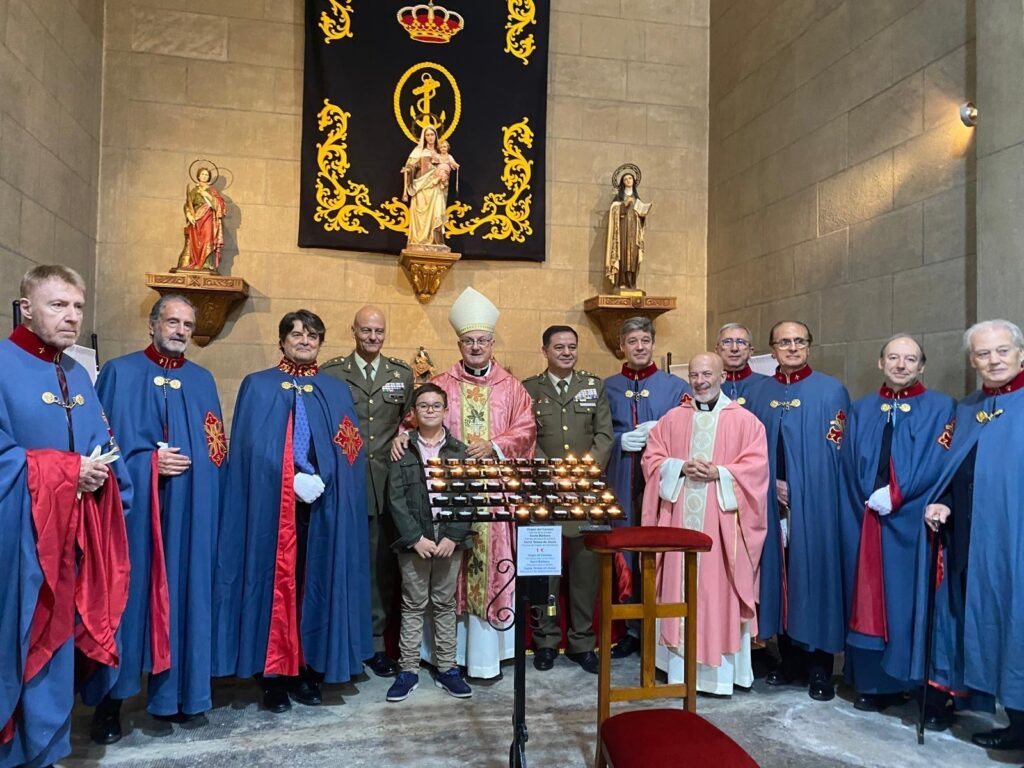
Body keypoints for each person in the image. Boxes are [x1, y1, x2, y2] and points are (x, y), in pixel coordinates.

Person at [0, 265, 131, 768]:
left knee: (59, 650)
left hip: (75, 539)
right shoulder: (4, 363)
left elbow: (103, 442)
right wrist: (66, 472)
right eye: (58, 305)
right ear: (26, 307)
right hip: (21, 541)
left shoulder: (77, 371)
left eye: (78, 306)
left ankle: (49, 749)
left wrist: (101, 473)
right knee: (21, 644)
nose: (72, 316)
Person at [213, 310, 372, 713]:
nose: (304, 341)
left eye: (313, 335)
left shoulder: (334, 390)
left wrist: (327, 478)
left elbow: (349, 449)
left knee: (312, 585)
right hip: (271, 508)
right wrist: (289, 480)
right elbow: (250, 450)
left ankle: (307, 670)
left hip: (322, 508)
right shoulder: (259, 386)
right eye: (296, 334)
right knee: (273, 587)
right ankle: (273, 677)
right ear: (281, 340)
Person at [87, 295, 226, 743]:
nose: (181, 330)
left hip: (187, 517)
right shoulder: (119, 373)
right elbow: (99, 447)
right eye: (172, 321)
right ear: (152, 325)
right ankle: (109, 705)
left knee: (185, 599)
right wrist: (148, 462)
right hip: (132, 520)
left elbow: (215, 451)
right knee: (125, 606)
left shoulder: (203, 381)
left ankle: (175, 697)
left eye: (187, 323)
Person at [391, 287, 535, 679]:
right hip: (443, 496)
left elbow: (526, 430)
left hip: (491, 495)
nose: (476, 346)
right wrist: (401, 435)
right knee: (440, 578)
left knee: (487, 565)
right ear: (459, 343)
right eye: (469, 340)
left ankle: (485, 657)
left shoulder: (512, 387)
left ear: (491, 343)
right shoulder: (441, 384)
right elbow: (412, 422)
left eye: (482, 340)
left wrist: (495, 445)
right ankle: (440, 657)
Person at [921, 320, 1024, 750]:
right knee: (987, 621)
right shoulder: (968, 409)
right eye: (983, 354)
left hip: (1013, 540)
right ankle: (1016, 720)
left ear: (1021, 354)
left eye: (1002, 351)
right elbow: (956, 467)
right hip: (970, 538)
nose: (993, 360)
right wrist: (942, 498)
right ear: (972, 360)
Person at [641, 353, 768, 695]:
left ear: (722, 376)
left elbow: (756, 472)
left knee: (715, 590)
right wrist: (678, 468)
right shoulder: (672, 419)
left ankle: (720, 677)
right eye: (694, 375)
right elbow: (651, 459)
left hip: (722, 528)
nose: (700, 381)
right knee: (678, 584)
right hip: (678, 522)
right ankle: (679, 670)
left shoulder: (746, 422)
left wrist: (721, 473)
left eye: (707, 374)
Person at [839, 335, 954, 713]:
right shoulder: (861, 408)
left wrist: (900, 494)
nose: (901, 365)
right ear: (880, 362)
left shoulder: (941, 408)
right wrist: (867, 494)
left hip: (912, 524)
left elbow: (941, 462)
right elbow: (850, 460)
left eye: (910, 359)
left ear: (922, 366)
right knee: (868, 598)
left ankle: (914, 685)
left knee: (910, 600)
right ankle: (871, 684)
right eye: (893, 357)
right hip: (868, 518)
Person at [747, 321, 849, 701]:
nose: (792, 348)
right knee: (780, 577)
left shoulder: (830, 391)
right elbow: (750, 450)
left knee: (815, 577)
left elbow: (836, 453)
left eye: (799, 341)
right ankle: (788, 660)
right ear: (771, 350)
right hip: (769, 503)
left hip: (816, 506)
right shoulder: (760, 393)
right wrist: (770, 484)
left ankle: (820, 666)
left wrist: (803, 488)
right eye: (783, 342)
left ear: (809, 345)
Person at [322, 306, 414, 678]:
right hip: (344, 481)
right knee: (343, 560)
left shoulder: (401, 374)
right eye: (366, 331)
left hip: (385, 484)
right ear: (353, 331)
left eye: (379, 331)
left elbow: (409, 419)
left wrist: (405, 434)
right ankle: (340, 638)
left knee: (379, 568)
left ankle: (374, 642)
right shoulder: (332, 372)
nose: (373, 337)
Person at [522, 326, 613, 674]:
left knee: (584, 571)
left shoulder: (593, 386)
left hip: (585, 492)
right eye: (558, 347)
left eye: (571, 347)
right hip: (544, 493)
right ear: (544, 350)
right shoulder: (529, 389)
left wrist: (581, 474)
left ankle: (581, 641)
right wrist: (552, 475)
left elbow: (605, 436)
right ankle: (545, 640)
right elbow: (527, 437)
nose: (566, 352)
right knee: (544, 572)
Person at [604, 316, 689, 658]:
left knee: (657, 550)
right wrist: (619, 440)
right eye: (632, 341)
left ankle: (659, 628)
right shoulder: (605, 387)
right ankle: (631, 629)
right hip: (621, 477)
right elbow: (595, 436)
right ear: (621, 347)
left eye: (645, 341)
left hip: (660, 483)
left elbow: (690, 432)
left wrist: (664, 432)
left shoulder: (674, 386)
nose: (639, 347)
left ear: (653, 343)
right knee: (625, 550)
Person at [385, 384, 474, 702]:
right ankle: (408, 670)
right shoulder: (402, 448)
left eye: (437, 405)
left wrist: (453, 535)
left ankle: (447, 668)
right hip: (415, 538)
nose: (431, 410)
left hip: (449, 537)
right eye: (424, 405)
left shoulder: (459, 451)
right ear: (414, 412)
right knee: (413, 603)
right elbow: (395, 497)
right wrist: (414, 538)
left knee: (444, 603)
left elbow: (467, 497)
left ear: (446, 410)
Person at [605, 164, 652, 291]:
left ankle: (632, 283)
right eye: (625, 179)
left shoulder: (637, 199)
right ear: (622, 183)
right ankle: (620, 282)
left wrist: (642, 215)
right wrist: (622, 206)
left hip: (634, 231)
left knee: (633, 256)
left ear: (634, 181)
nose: (628, 181)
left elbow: (641, 218)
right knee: (623, 254)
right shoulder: (619, 198)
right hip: (622, 231)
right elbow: (613, 210)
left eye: (630, 178)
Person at [402, 126, 451, 249]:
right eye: (427, 135)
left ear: (436, 136)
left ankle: (433, 240)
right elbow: (409, 168)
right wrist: (409, 169)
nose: (430, 137)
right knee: (420, 216)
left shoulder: (441, 153)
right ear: (424, 137)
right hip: (421, 186)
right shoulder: (418, 151)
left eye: (432, 134)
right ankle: (419, 241)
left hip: (435, 187)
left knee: (436, 213)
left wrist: (444, 175)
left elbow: (447, 168)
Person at [177, 166, 226, 271]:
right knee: (196, 241)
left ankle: (206, 263)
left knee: (207, 239)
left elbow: (220, 205)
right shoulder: (194, 191)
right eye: (202, 174)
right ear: (198, 176)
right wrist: (189, 215)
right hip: (196, 219)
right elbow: (188, 205)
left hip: (208, 218)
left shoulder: (212, 190)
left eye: (206, 175)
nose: (204, 176)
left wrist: (207, 196)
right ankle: (195, 261)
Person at [715, 322, 766, 406]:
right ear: (717, 350)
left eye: (741, 342)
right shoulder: (708, 384)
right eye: (727, 342)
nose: (734, 348)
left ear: (750, 351)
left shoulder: (766, 385)